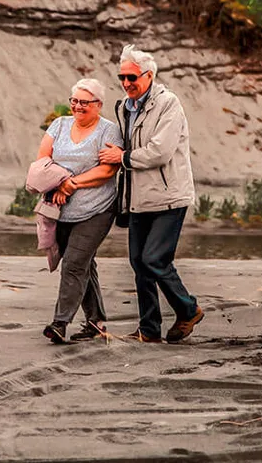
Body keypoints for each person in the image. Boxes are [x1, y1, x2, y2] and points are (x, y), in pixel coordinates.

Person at [98, 44, 204, 344]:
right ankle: (149, 330)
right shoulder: (124, 107)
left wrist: (122, 157)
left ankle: (188, 309)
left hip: (170, 197)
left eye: (132, 77)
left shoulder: (169, 103)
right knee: (138, 263)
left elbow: (160, 151)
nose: (126, 83)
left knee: (153, 259)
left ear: (149, 75)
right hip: (137, 199)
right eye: (122, 77)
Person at [37, 78, 123, 344]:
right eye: (74, 101)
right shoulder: (59, 125)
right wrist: (60, 183)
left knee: (74, 264)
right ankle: (96, 322)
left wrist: (71, 184)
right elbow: (42, 160)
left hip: (97, 210)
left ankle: (59, 323)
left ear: (98, 104)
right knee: (84, 263)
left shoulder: (109, 131)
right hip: (61, 210)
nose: (77, 106)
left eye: (84, 102)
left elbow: (107, 171)